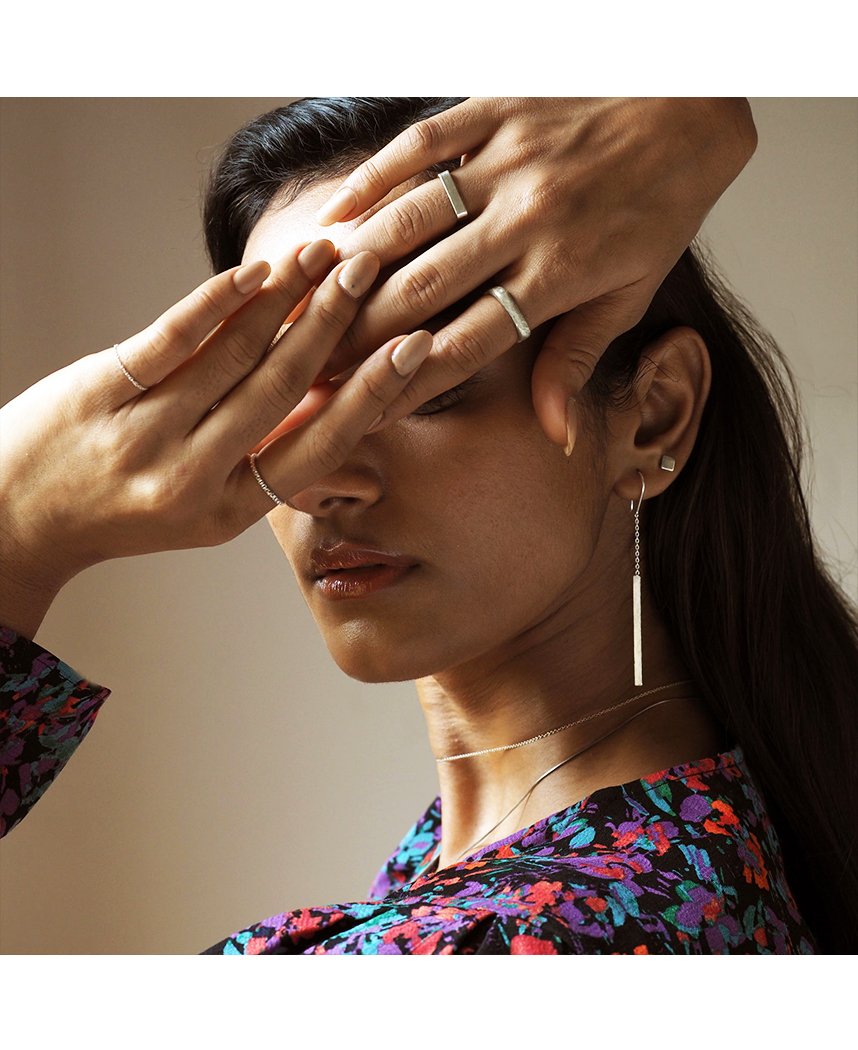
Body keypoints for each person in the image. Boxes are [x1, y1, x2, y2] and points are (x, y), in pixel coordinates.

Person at [0, 98, 853, 954]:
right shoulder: (703, 849)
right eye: (274, 388)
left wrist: (19, 523)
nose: (314, 480)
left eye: (420, 378)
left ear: (653, 417)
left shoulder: (521, 940)